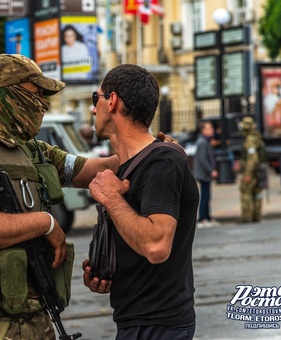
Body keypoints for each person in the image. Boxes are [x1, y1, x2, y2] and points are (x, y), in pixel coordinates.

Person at [0, 54, 125, 339]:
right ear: (5, 96)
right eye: (36, 93)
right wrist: (46, 224)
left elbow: (94, 170)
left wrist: (149, 149)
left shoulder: (32, 151)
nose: (42, 103)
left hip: (33, 316)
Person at [82, 64, 199, 339]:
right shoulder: (130, 164)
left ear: (112, 101)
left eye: (94, 98)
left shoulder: (163, 163)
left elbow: (157, 245)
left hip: (157, 325)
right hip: (137, 319)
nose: (92, 108)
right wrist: (108, 269)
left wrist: (111, 198)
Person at [234, 116, 265, 223]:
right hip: (259, 171)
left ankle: (246, 217)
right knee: (257, 193)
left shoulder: (250, 140)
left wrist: (247, 174)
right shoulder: (256, 137)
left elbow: (252, 158)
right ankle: (256, 216)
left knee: (246, 193)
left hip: (252, 171)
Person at [193, 120, 220, 228]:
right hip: (203, 174)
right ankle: (203, 218)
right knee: (205, 196)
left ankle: (207, 217)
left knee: (207, 195)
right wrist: (211, 170)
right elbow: (202, 159)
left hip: (205, 173)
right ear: (204, 130)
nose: (212, 130)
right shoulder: (202, 142)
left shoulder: (205, 141)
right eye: (209, 128)